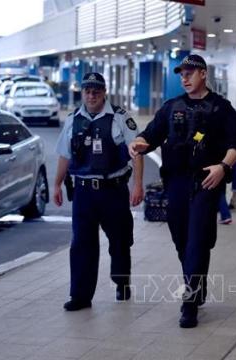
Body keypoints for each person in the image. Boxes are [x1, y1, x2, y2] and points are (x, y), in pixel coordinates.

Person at [128, 54, 236, 328]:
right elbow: (151, 134)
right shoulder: (171, 107)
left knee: (196, 240)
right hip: (176, 183)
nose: (184, 77)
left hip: (205, 181)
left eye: (190, 72)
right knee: (182, 240)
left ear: (203, 74)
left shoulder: (220, 108)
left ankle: (189, 303)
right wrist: (140, 143)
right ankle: (197, 285)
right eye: (181, 73)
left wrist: (222, 168)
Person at [53, 72, 144, 311]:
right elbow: (65, 154)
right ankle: (80, 296)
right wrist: (56, 184)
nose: (91, 96)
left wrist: (138, 185)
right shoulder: (74, 119)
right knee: (82, 244)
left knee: (120, 241)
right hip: (83, 192)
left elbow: (137, 153)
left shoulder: (121, 118)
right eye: (87, 91)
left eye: (96, 91)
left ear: (104, 93)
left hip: (113, 191)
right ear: (82, 93)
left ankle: (121, 281)